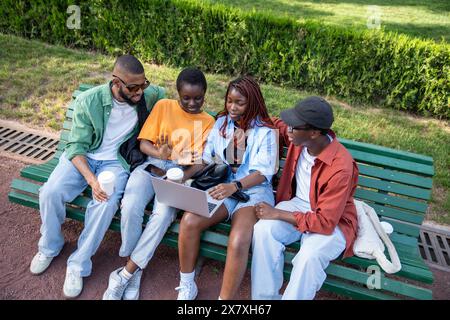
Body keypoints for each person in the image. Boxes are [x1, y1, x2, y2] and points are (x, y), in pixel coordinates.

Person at [30, 54, 165, 298]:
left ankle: (78, 264)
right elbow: (76, 148)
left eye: (143, 85)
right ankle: (49, 246)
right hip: (83, 157)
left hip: (117, 161)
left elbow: (171, 100)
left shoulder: (148, 94)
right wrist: (91, 180)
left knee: (105, 204)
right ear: (116, 82)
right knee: (50, 192)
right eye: (133, 87)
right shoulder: (88, 101)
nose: (139, 93)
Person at [102, 67, 215, 300]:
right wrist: (161, 153)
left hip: (179, 173)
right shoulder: (164, 107)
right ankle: (134, 272)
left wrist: (180, 175)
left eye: (198, 98)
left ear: (205, 93)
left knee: (162, 214)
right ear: (178, 94)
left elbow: (200, 162)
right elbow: (144, 145)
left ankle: (125, 274)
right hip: (151, 165)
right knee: (131, 204)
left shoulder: (207, 122)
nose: (192, 103)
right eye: (186, 98)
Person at [176, 75, 279, 300]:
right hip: (223, 187)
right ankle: (186, 285)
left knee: (239, 239)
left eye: (239, 103)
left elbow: (263, 173)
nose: (232, 107)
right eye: (229, 101)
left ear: (252, 103)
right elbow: (206, 159)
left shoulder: (266, 132)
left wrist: (235, 186)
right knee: (190, 221)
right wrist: (182, 178)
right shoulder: (222, 123)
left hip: (253, 192)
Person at [251, 96, 359, 300]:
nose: (288, 130)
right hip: (299, 204)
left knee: (309, 256)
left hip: (333, 219)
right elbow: (273, 122)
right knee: (263, 229)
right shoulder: (298, 137)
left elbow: (326, 222)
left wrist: (277, 213)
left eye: (294, 126)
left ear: (315, 132)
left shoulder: (341, 167)